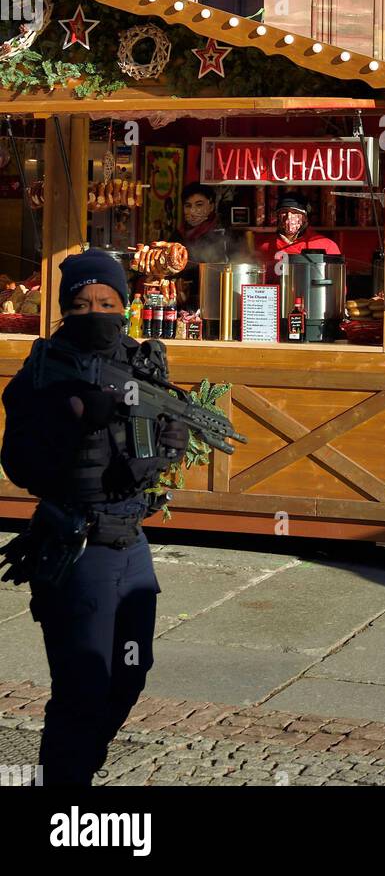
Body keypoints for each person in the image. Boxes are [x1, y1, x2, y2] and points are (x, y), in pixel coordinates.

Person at [0, 249, 189, 786]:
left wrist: (168, 447)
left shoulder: (138, 361)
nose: (96, 312)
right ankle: (66, 790)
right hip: (76, 547)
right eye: (81, 304)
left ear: (125, 306)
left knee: (132, 672)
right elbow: (20, 465)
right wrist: (74, 420)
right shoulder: (44, 372)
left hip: (130, 543)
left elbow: (143, 454)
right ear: (64, 310)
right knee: (82, 686)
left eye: (107, 302)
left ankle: (74, 767)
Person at [257, 193, 341, 277]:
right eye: (284, 212)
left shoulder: (326, 245)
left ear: (305, 217)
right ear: (277, 217)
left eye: (295, 212)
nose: (289, 217)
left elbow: (337, 285)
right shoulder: (264, 246)